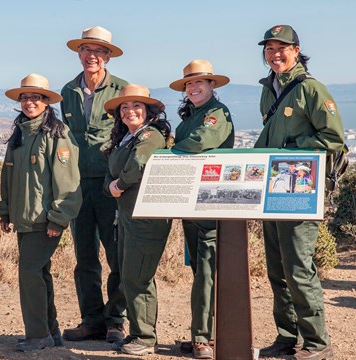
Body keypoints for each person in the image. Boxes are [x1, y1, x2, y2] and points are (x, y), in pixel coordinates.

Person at [254, 24, 344, 360]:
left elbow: (333, 138)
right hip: (272, 186)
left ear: (296, 49)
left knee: (298, 269)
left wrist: (294, 147)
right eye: (269, 49)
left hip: (300, 188)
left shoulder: (312, 89)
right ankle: (286, 336)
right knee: (277, 268)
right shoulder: (270, 88)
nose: (275, 55)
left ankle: (318, 342)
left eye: (282, 48)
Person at [0, 74, 82, 352]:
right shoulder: (20, 133)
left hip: (45, 220)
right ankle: (51, 331)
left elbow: (67, 181)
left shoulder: (57, 134)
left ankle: (37, 335)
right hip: (24, 219)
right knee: (40, 273)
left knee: (29, 273)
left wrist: (59, 218)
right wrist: (5, 211)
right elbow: (7, 176)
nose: (29, 102)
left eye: (36, 97)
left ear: (46, 102)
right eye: (25, 97)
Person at [60, 25, 128, 343]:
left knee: (116, 255)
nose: (92, 56)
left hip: (111, 185)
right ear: (79, 53)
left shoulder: (123, 90)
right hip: (77, 186)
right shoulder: (67, 92)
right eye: (87, 50)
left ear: (108, 56)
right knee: (84, 257)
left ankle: (116, 320)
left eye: (99, 51)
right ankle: (92, 320)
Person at [169, 59, 235, 360]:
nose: (193, 87)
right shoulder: (191, 116)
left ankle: (202, 339)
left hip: (210, 199)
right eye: (189, 84)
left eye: (199, 83)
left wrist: (167, 153)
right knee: (199, 270)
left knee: (207, 270)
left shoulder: (215, 115)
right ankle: (204, 332)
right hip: (190, 200)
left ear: (212, 86)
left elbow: (200, 142)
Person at [102, 84, 173, 356]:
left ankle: (144, 337)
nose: (129, 111)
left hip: (147, 217)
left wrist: (118, 182)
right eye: (124, 107)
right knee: (128, 275)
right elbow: (110, 172)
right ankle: (136, 333)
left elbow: (138, 166)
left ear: (148, 111)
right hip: (128, 216)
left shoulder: (150, 136)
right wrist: (111, 185)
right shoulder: (127, 139)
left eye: (136, 106)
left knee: (139, 277)